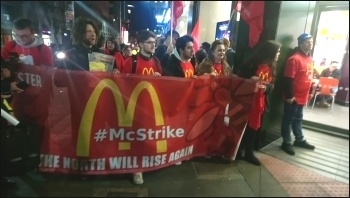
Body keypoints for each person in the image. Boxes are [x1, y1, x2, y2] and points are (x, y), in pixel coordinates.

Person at [120, 30, 162, 185]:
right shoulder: (131, 61)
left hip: (149, 106)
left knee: (146, 136)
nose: (153, 45)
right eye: (150, 42)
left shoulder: (156, 62)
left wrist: (158, 79)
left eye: (154, 42)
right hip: (133, 106)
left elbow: (163, 84)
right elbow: (122, 83)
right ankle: (136, 169)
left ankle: (144, 162)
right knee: (134, 138)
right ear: (140, 44)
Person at [235, 40, 281, 165]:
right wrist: (250, 81)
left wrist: (266, 88)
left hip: (260, 103)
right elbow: (238, 81)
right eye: (277, 52)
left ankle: (249, 152)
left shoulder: (272, 67)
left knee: (254, 128)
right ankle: (237, 151)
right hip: (246, 102)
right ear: (270, 53)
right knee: (242, 127)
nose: (279, 54)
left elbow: (272, 85)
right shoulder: (249, 65)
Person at [281, 33, 316, 156]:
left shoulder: (310, 58)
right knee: (288, 120)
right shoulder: (294, 59)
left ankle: (299, 139)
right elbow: (288, 79)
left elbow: (310, 76)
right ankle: (286, 142)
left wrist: (311, 92)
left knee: (298, 119)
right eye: (307, 42)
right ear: (301, 44)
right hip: (293, 98)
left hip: (303, 96)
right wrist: (290, 96)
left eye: (311, 41)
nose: (310, 44)